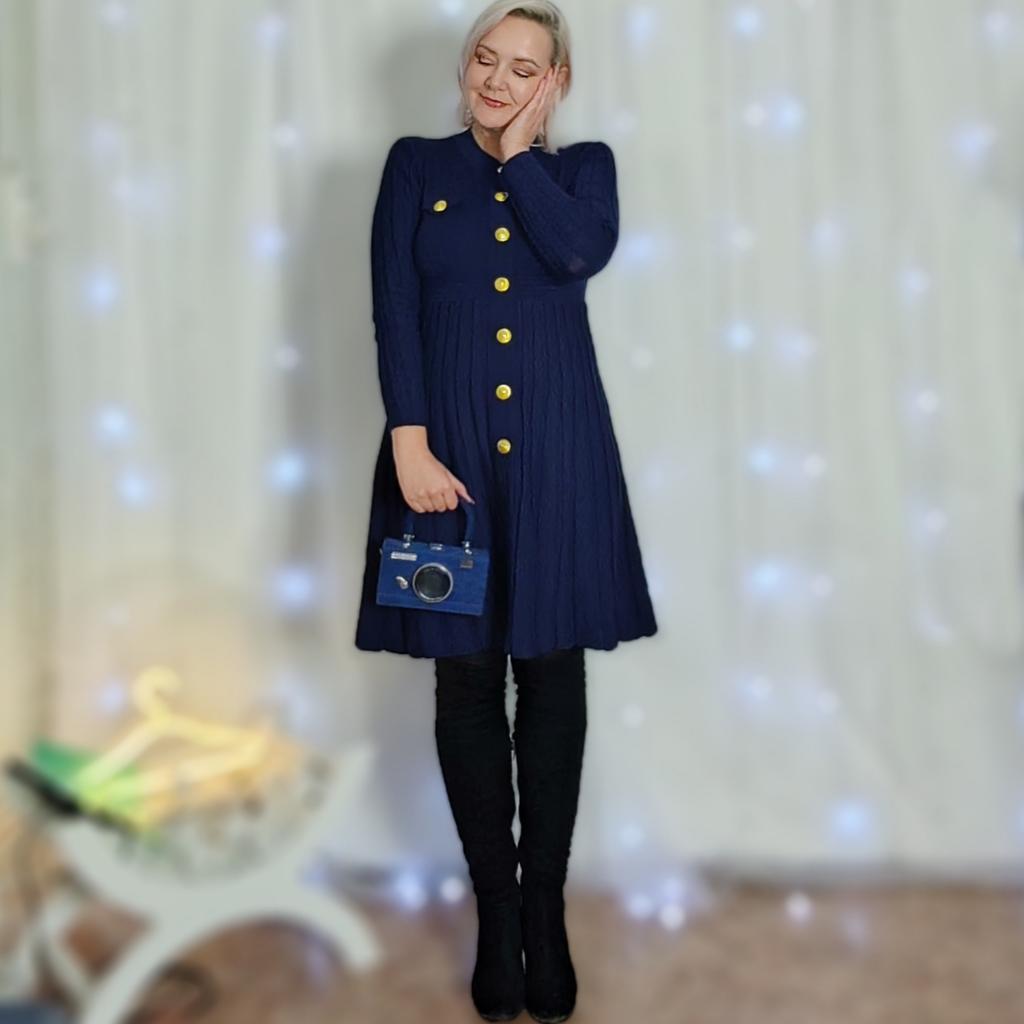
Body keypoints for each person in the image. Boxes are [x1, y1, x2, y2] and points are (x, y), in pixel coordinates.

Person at [354, 1, 658, 1019]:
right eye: (485, 58)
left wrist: (522, 155)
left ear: (555, 83)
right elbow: (394, 305)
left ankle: (543, 911)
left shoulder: (582, 171)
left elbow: (577, 256)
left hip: (560, 459)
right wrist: (408, 442)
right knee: (467, 678)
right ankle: (494, 909)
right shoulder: (413, 166)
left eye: (523, 68)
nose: (494, 79)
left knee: (553, 674)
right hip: (441, 460)